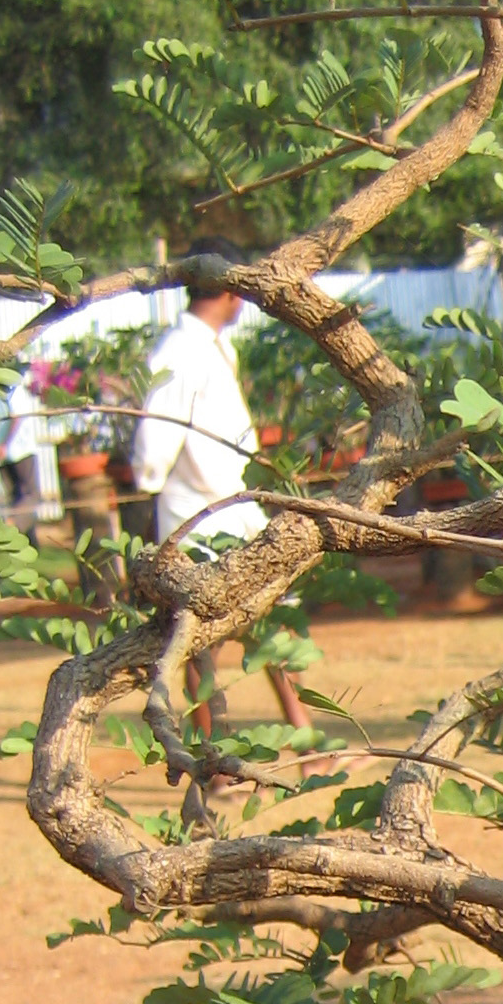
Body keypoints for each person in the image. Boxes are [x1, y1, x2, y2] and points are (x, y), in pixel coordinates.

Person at [131, 238, 308, 731]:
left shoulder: (213, 346)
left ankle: (306, 737)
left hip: (236, 504)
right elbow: (156, 435)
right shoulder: (180, 350)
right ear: (232, 290)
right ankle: (213, 752)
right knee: (198, 637)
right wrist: (147, 484)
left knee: (272, 614)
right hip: (195, 513)